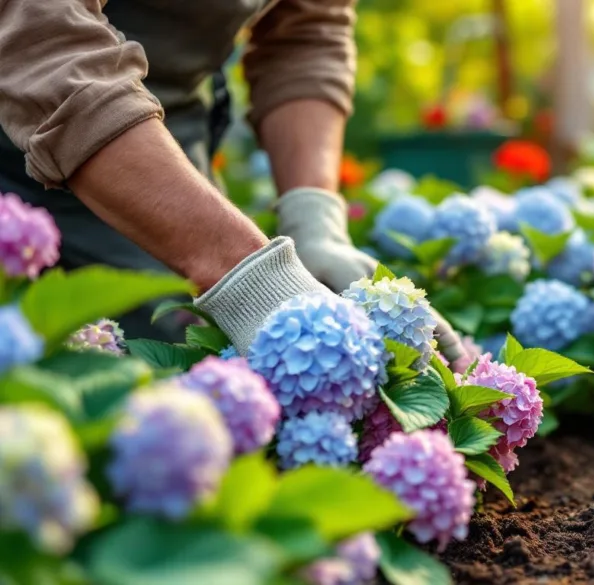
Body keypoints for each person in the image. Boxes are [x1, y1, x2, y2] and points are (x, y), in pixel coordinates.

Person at [0, 1, 470, 368]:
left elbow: (308, 32)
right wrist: (250, 276)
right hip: (25, 116)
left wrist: (314, 224)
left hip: (162, 140)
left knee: (176, 362)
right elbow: (41, 37)